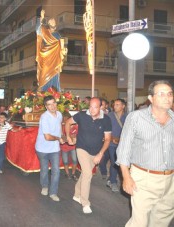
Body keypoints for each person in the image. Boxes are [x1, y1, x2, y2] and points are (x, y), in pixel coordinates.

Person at [117, 80, 174, 226]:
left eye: (170, 94)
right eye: (161, 94)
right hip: (143, 178)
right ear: (151, 98)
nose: (167, 97)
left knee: (162, 220)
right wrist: (126, 177)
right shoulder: (136, 118)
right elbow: (124, 149)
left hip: (170, 180)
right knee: (139, 222)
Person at [65, 97, 111, 214]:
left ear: (101, 107)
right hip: (82, 148)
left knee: (85, 174)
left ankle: (76, 194)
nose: (91, 109)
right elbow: (68, 122)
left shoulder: (106, 120)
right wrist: (68, 135)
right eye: (90, 106)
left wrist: (100, 154)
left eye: (95, 107)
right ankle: (85, 202)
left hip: (96, 151)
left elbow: (107, 140)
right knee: (88, 174)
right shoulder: (81, 115)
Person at [35, 95, 64, 202]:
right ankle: (45, 186)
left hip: (55, 149)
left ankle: (53, 192)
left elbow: (59, 126)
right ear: (46, 106)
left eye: (53, 103)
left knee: (56, 171)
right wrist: (58, 138)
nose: (52, 106)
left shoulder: (60, 114)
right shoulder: (44, 117)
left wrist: (62, 136)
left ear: (56, 103)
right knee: (44, 169)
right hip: (42, 148)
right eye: (49, 104)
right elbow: (47, 137)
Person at [35, 9, 67, 91]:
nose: (54, 22)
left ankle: (55, 91)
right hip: (46, 55)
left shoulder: (57, 34)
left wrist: (63, 51)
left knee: (55, 73)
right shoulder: (45, 32)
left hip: (55, 58)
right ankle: (42, 90)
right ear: (49, 24)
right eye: (52, 22)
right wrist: (41, 18)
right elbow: (38, 30)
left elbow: (61, 46)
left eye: (54, 22)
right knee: (43, 74)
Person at [105, 98, 127, 192]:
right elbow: (105, 129)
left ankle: (110, 179)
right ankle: (113, 182)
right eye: (114, 104)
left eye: (118, 105)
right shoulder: (109, 116)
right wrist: (113, 138)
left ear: (123, 106)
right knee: (115, 162)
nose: (115, 106)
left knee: (121, 162)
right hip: (111, 143)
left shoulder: (127, 117)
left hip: (123, 144)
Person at [60, 112, 78, 181]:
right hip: (64, 146)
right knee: (65, 161)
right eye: (64, 119)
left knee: (74, 160)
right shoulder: (62, 126)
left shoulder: (75, 126)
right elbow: (62, 136)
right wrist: (69, 137)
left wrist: (73, 137)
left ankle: (73, 174)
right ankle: (67, 173)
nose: (65, 120)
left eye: (67, 118)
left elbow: (77, 135)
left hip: (72, 146)